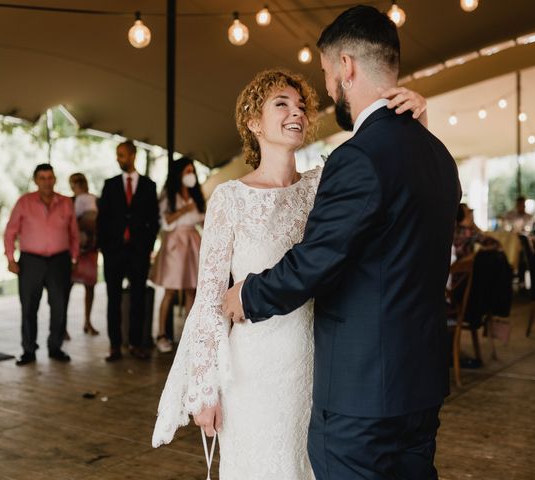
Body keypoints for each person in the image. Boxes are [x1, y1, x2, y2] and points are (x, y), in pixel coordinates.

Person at [152, 64, 430, 480]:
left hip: (320, 368)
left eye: (301, 105)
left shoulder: (326, 185)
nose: (296, 113)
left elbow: (385, 174)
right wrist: (204, 387)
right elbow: (209, 299)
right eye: (281, 104)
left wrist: (416, 124)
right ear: (252, 121)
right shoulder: (230, 199)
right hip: (252, 372)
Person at [222, 6, 460, 479]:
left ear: (347, 66)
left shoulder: (358, 157)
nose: (328, 88)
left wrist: (247, 294)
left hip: (363, 390)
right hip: (420, 385)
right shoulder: (438, 154)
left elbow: (317, 261)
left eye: (328, 74)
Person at [4, 163, 79, 365]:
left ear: (55, 179)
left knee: (59, 306)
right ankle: (29, 350)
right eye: (42, 178)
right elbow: (10, 232)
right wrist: (10, 259)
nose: (47, 182)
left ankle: (55, 347)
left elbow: (74, 233)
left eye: (50, 177)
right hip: (31, 261)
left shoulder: (65, 203)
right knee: (28, 307)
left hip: (60, 261)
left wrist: (73, 258)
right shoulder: (24, 202)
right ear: (36, 180)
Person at [98, 140, 159, 362]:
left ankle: (135, 343)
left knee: (138, 300)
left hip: (138, 252)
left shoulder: (148, 186)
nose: (118, 159)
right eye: (117, 155)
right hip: (114, 252)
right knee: (112, 299)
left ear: (133, 155)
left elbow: (154, 220)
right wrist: (105, 248)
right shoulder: (110, 184)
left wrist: (147, 246)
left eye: (122, 155)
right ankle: (115, 345)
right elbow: (102, 219)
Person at [149, 157, 205, 353]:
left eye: (192, 171)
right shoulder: (169, 195)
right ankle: (161, 333)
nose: (190, 174)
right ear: (179, 173)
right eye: (187, 170)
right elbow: (166, 221)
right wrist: (183, 209)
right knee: (170, 290)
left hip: (193, 241)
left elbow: (201, 219)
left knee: (192, 289)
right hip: (175, 242)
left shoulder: (196, 194)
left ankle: (189, 333)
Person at [68, 173, 100, 336]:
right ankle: (63, 326)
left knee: (90, 287)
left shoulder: (95, 200)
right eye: (75, 182)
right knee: (67, 288)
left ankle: (88, 321)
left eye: (81, 181)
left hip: (91, 251)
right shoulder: (68, 202)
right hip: (74, 251)